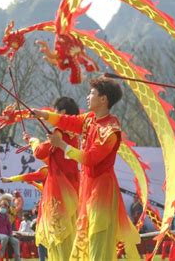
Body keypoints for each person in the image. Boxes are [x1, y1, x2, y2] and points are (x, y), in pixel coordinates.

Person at [33, 77, 141, 260]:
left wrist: (61, 145)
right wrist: (44, 115)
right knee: (86, 243)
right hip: (88, 188)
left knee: (98, 244)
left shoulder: (110, 131)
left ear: (103, 99)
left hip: (103, 192)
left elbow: (91, 159)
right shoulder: (90, 119)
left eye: (92, 93)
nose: (88, 97)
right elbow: (69, 121)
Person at [2, 96, 81, 261]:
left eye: (56, 111)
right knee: (69, 232)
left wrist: (33, 140)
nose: (53, 114)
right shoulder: (74, 135)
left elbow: (39, 152)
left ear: (63, 112)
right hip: (73, 189)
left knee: (58, 236)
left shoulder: (58, 132)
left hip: (59, 190)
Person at [0, 195, 21, 261]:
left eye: (5, 207)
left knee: (16, 241)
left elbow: (9, 226)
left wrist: (10, 233)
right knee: (5, 237)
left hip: (6, 234)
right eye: (2, 206)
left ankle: (17, 258)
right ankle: (1, 252)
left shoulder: (6, 216)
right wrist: (5, 232)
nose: (4, 208)